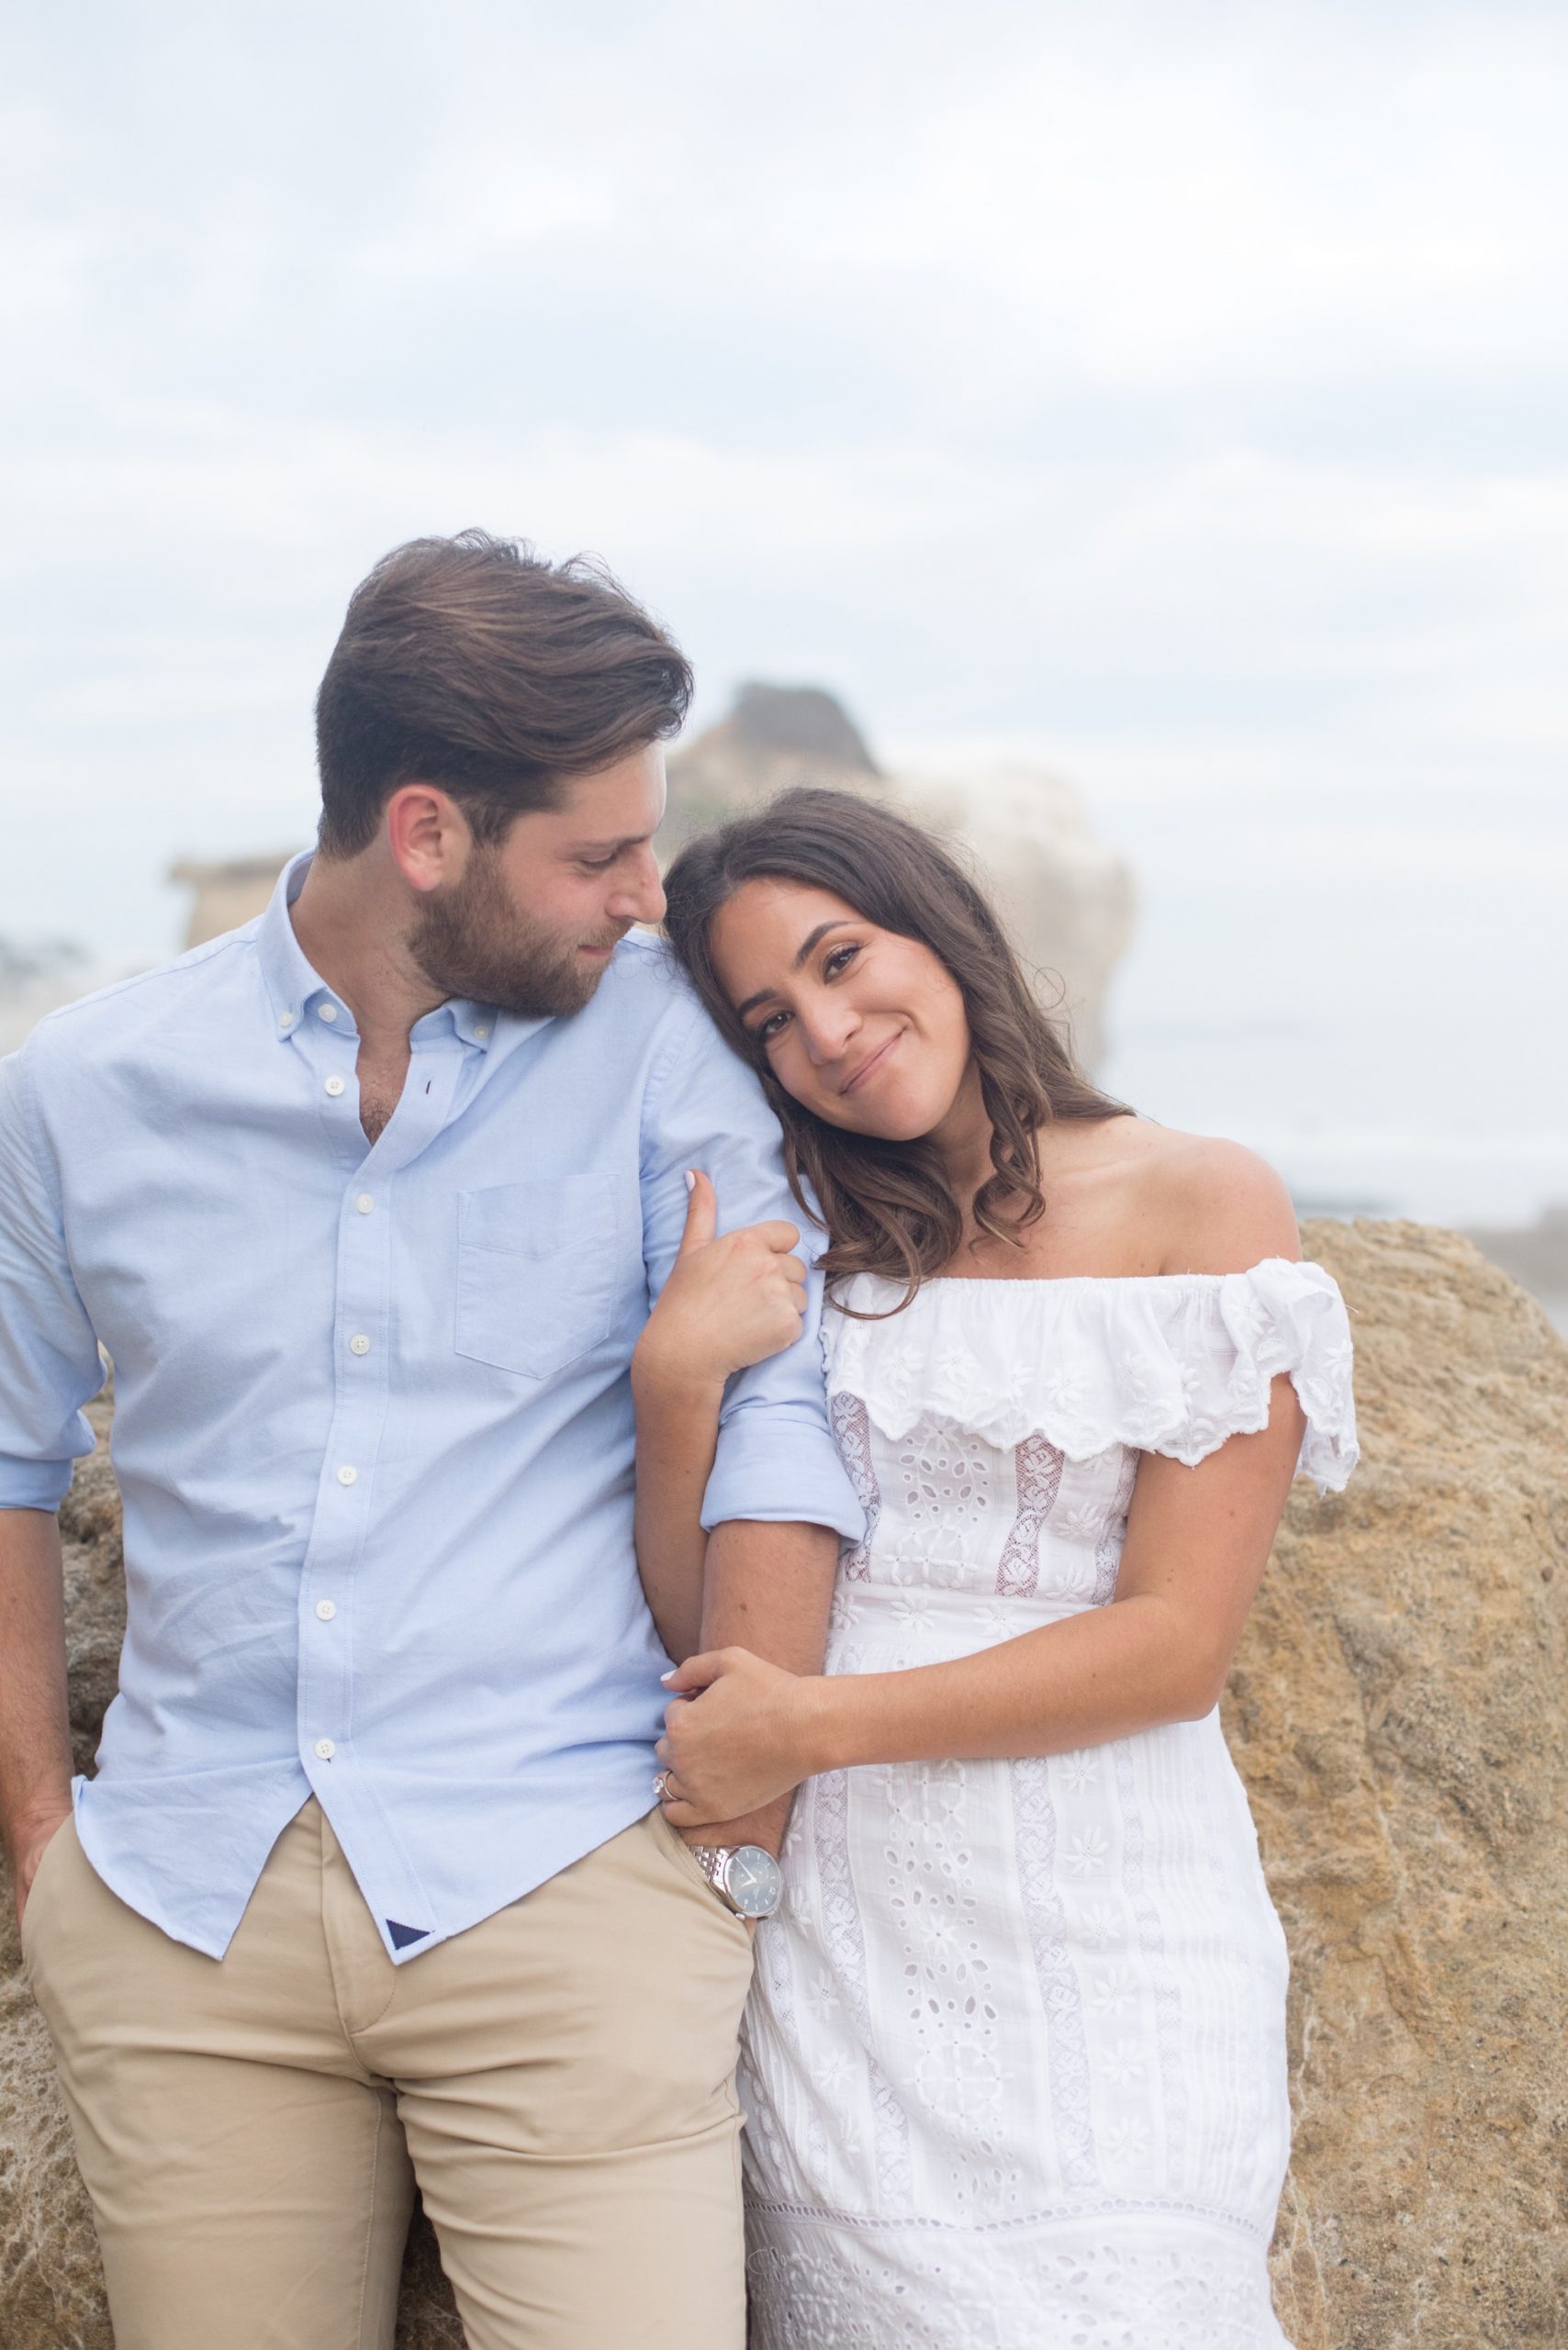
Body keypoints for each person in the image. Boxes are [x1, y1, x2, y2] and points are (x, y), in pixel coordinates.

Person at [0, 535, 865, 2350]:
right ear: (424, 834)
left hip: (569, 1878)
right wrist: (38, 1840)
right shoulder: (79, 1089)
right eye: (596, 853)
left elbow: (774, 1397)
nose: (645, 895)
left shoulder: (661, 1049)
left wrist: (747, 1799)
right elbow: (6, 1461)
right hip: (181, 1914)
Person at [635, 786, 1359, 2348]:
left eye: (843, 958)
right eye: (771, 1016)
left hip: (1115, 1919)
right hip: (843, 1940)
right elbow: (707, 1634)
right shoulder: (806, 1244)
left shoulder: (1198, 1199)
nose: (828, 1030)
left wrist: (814, 1728)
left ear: (942, 932)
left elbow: (1178, 1648)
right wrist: (676, 1388)